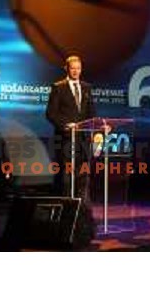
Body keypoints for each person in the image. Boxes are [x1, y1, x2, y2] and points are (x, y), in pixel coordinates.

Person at [45, 54, 96, 199]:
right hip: (66, 139)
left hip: (83, 140)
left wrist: (99, 127)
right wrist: (65, 125)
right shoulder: (58, 87)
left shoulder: (87, 88)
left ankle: (82, 210)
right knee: (66, 178)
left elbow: (91, 113)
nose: (76, 71)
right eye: (73, 68)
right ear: (66, 69)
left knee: (83, 177)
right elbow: (50, 114)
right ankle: (67, 208)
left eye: (78, 68)